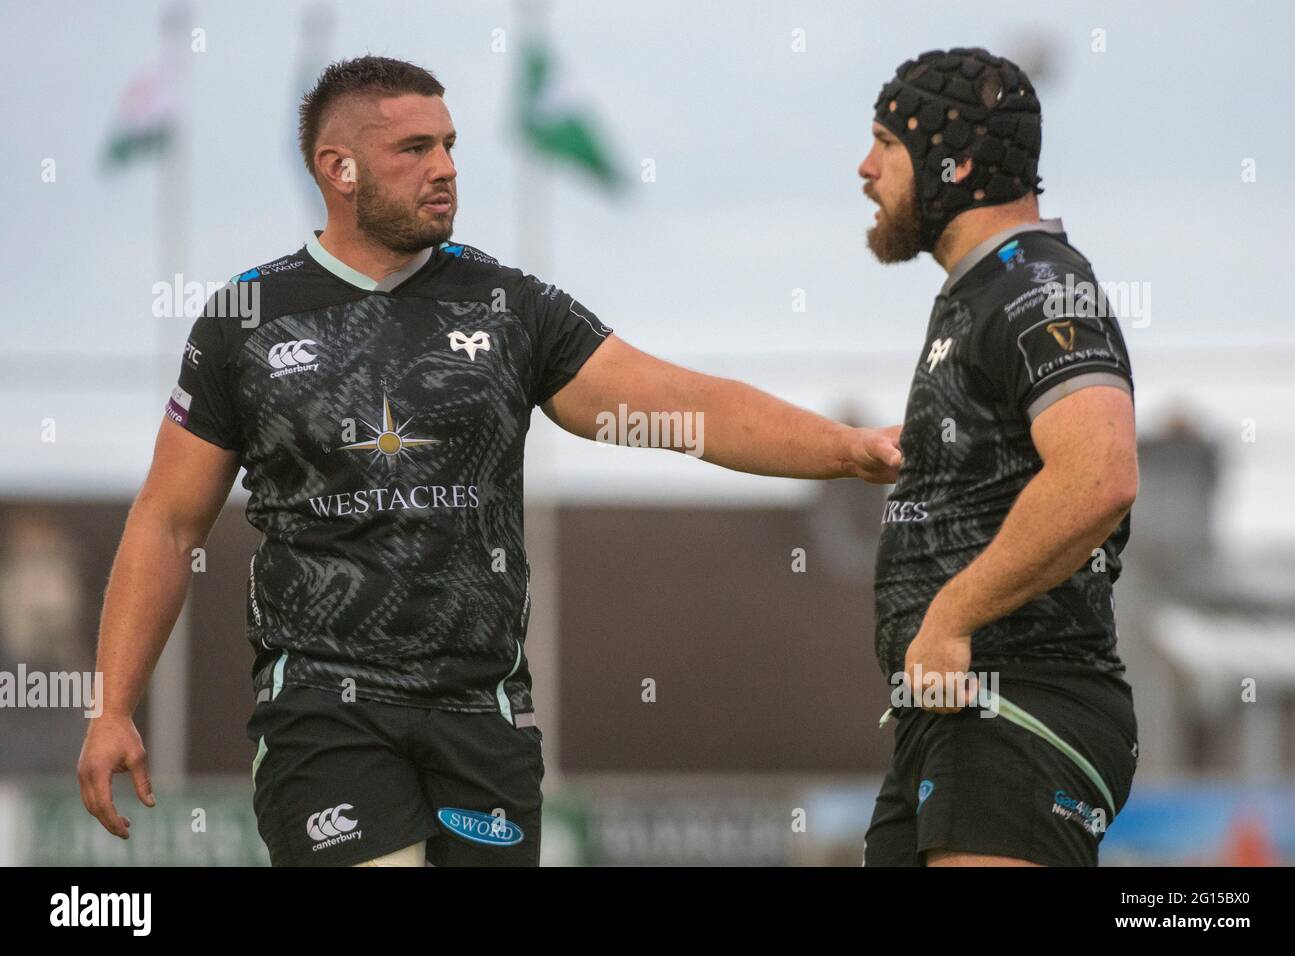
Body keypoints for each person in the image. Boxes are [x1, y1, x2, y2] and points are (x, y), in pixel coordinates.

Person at [77, 55, 902, 867]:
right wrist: (112, 706)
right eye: (415, 150)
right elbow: (167, 520)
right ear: (339, 168)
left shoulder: (510, 306)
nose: (445, 169)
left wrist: (844, 448)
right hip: (325, 712)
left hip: (485, 715)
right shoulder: (245, 319)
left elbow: (682, 403)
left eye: (450, 145)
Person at [858, 48, 1140, 867]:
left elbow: (1101, 475)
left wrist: (949, 618)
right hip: (952, 719)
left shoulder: (1036, 282)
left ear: (960, 163)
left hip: (1022, 706)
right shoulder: (985, 290)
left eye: (886, 142)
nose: (865, 167)